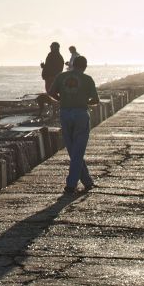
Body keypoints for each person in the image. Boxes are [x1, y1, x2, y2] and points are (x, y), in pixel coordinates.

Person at [50, 54, 100, 193]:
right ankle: (71, 185)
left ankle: (87, 181)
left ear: (73, 65)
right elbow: (96, 100)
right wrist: (85, 101)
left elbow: (51, 92)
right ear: (85, 66)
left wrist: (62, 99)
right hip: (81, 114)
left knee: (73, 150)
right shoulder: (87, 79)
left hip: (65, 113)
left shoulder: (61, 77)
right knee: (78, 150)